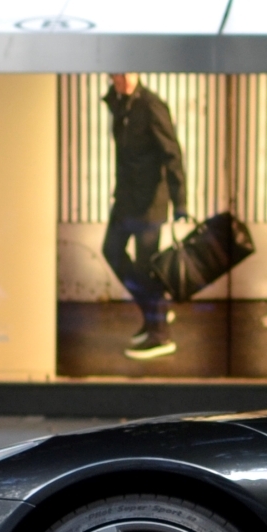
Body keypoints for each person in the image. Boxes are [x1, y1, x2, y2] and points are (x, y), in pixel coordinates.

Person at [101, 73, 187, 360]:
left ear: (138, 74)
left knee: (145, 266)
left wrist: (180, 203)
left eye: (127, 74)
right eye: (116, 74)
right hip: (125, 199)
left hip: (150, 203)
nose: (121, 79)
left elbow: (172, 154)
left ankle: (160, 335)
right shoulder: (120, 102)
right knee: (111, 251)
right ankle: (155, 313)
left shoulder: (151, 106)